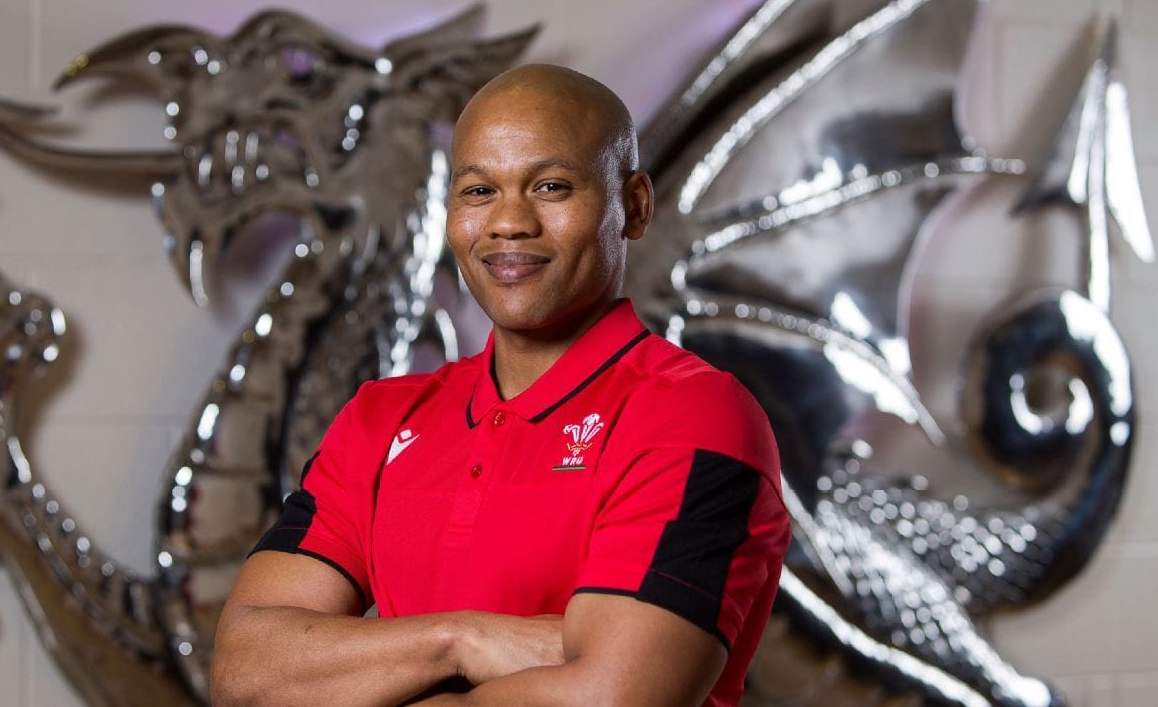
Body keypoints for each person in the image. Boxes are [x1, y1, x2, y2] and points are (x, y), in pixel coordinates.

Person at [211, 64, 789, 707]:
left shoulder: (694, 415)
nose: (509, 222)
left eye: (551, 186)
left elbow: (612, 699)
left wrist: (373, 682)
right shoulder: (380, 418)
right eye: (479, 191)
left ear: (633, 205)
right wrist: (460, 640)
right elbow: (245, 670)